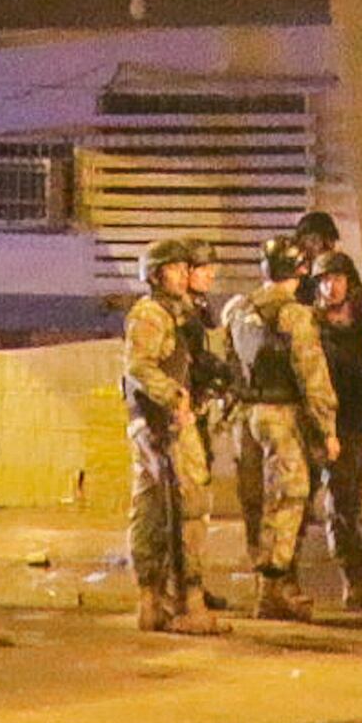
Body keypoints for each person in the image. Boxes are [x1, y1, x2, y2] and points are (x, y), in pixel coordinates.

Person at [225, 239, 343, 619]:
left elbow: (226, 362)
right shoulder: (294, 315)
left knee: (255, 502)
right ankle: (274, 587)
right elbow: (312, 374)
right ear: (300, 271)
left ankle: (265, 586)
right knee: (290, 497)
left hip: (244, 415)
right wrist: (327, 429)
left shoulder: (238, 309)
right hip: (280, 414)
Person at [123, 236, 230, 634]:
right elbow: (139, 366)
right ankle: (190, 604)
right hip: (165, 423)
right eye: (175, 268)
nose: (185, 275)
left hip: (154, 422)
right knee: (188, 507)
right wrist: (175, 396)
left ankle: (152, 603)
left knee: (152, 510)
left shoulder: (173, 313)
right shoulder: (151, 314)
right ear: (155, 275)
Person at [307, 239, 362, 608]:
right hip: (312, 424)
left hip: (351, 424)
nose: (330, 287)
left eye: (336, 278)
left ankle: (355, 579)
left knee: (346, 505)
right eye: (323, 280)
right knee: (296, 503)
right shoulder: (309, 326)